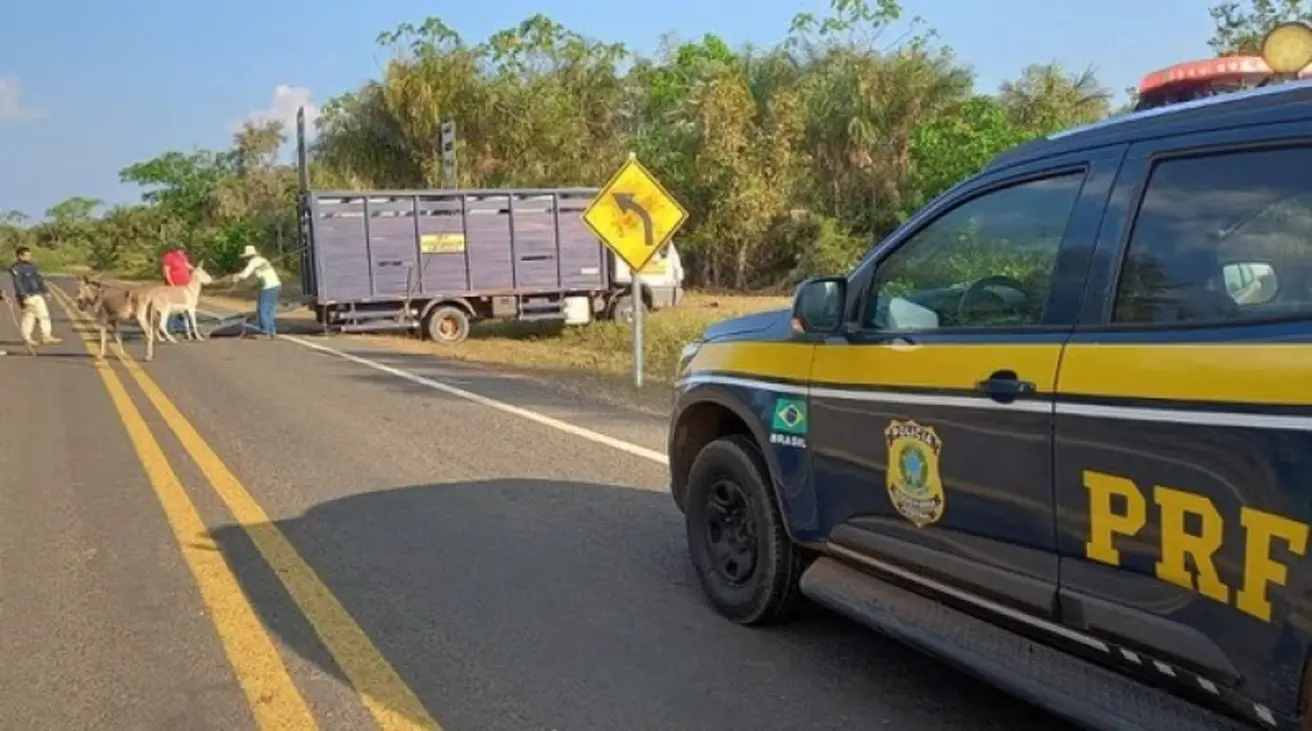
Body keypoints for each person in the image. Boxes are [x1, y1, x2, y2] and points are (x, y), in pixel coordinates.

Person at [10, 246, 61, 347]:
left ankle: (46, 335)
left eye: (30, 254)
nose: (29, 257)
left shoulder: (32, 266)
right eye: (27, 255)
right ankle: (27, 338)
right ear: (20, 256)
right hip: (26, 296)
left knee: (44, 314)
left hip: (36, 294)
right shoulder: (16, 268)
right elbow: (18, 282)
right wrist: (23, 296)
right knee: (29, 317)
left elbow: (39, 279)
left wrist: (46, 291)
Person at [229, 244, 281, 339]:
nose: (246, 260)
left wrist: (236, 276)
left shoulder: (253, 262)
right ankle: (272, 331)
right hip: (276, 285)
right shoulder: (263, 260)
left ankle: (266, 331)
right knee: (270, 310)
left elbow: (245, 275)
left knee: (262, 311)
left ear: (249, 256)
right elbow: (261, 276)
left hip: (268, 287)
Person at [160, 245, 193, 334]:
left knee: (183, 307)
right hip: (174, 286)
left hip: (184, 287)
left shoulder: (183, 257)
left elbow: (187, 266)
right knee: (172, 308)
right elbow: (166, 270)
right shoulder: (170, 257)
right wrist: (171, 283)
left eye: (183, 250)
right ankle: (168, 328)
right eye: (180, 249)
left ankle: (182, 327)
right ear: (176, 249)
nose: (182, 251)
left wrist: (195, 269)